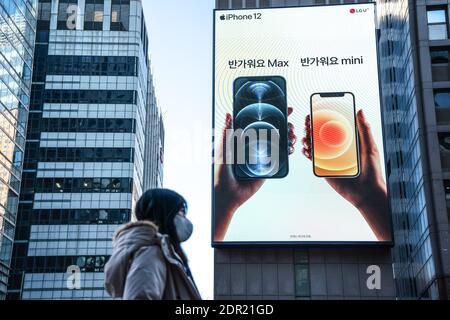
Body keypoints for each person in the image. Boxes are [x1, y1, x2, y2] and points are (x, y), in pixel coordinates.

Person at [104, 188, 201, 300]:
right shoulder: (152, 253)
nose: (185, 218)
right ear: (166, 214)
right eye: (182, 211)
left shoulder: (164, 255)